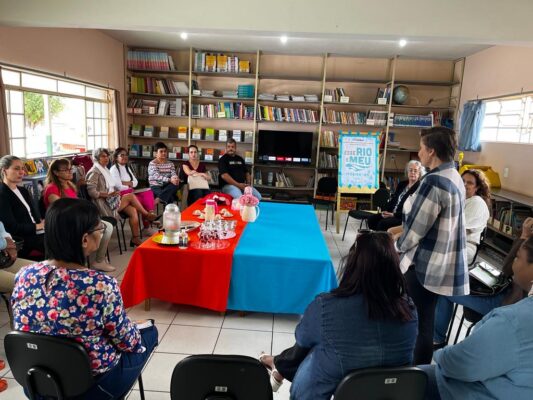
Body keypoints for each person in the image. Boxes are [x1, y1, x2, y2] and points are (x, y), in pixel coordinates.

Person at [11, 198, 158, 399]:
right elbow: (126, 341)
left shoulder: (24, 274)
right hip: (90, 386)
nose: (102, 232)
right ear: (84, 239)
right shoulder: (99, 284)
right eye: (100, 228)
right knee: (149, 332)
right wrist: (139, 327)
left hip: (37, 381)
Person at [259, 232, 418, 400]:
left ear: (353, 265)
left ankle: (279, 366)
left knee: (317, 348)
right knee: (325, 340)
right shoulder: (409, 309)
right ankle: (278, 365)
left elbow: (302, 337)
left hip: (337, 386)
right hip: (388, 391)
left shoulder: (327, 306)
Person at [419, 236, 533, 400]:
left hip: (479, 388)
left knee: (411, 379)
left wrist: (440, 355)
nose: (516, 261)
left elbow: (459, 364)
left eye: (518, 257)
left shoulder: (512, 322)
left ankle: (437, 339)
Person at [396, 126, 468, 365]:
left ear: (432, 151)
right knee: (424, 320)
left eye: (421, 148)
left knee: (416, 322)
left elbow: (416, 229)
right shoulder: (454, 176)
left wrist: (396, 246)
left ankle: (414, 372)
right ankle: (420, 371)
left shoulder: (435, 181)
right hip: (443, 263)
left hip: (425, 266)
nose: (419, 152)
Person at [432, 217, 533, 347]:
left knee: (445, 290)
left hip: (506, 302)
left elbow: (507, 268)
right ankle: (437, 337)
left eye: (519, 257)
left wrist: (524, 237)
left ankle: (437, 338)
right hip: (503, 291)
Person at [43, 158, 115, 272]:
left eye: (70, 169)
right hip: (65, 223)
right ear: (56, 172)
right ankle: (85, 260)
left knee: (107, 227)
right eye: (66, 170)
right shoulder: (52, 188)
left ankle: (99, 260)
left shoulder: (70, 185)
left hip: (76, 219)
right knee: (103, 229)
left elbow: (77, 206)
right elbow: (60, 211)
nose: (70, 171)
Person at [86, 148, 156, 247]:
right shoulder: (95, 172)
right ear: (97, 158)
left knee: (133, 210)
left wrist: (114, 193)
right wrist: (109, 194)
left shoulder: (105, 169)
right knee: (130, 196)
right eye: (103, 156)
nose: (106, 158)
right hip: (104, 205)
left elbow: (120, 185)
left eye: (107, 156)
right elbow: (92, 192)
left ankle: (135, 238)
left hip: (112, 200)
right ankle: (147, 215)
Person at [0, 155, 45, 259]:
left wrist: (42, 225)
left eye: (22, 168)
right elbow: (11, 228)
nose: (21, 172)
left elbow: (34, 217)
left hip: (37, 233)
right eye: (16, 169)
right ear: (4, 171)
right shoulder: (2, 195)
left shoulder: (23, 191)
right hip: (24, 241)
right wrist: (38, 226)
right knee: (61, 247)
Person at [368, 160, 425, 231]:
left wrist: (394, 215)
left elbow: (412, 210)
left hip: (402, 217)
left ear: (419, 173)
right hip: (391, 213)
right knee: (371, 219)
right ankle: (377, 238)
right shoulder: (402, 184)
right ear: (407, 172)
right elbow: (393, 200)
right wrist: (385, 211)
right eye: (410, 170)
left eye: (415, 171)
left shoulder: (419, 188)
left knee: (383, 224)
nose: (412, 173)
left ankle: (382, 240)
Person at [110, 147, 156, 227]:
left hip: (129, 192)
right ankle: (149, 219)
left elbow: (136, 182)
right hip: (121, 195)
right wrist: (130, 185)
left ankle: (149, 218)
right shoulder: (114, 169)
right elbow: (118, 186)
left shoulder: (127, 167)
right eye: (122, 155)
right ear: (116, 158)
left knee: (148, 193)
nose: (125, 157)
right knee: (141, 199)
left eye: (126, 155)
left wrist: (126, 183)